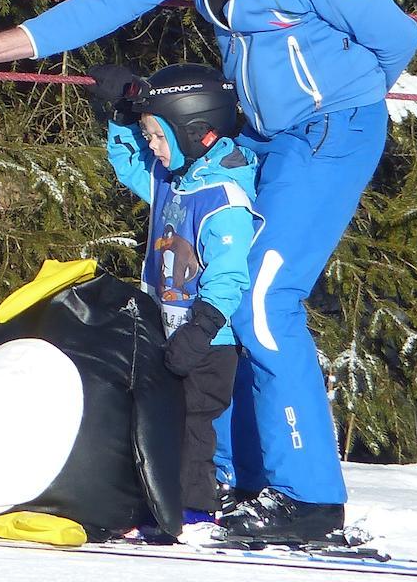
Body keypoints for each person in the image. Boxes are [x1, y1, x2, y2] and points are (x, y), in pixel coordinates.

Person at [0, 0, 417, 542]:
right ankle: (228, 477)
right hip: (252, 136)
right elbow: (100, 6)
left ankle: (310, 502)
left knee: (261, 296)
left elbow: (396, 40)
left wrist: (336, 95)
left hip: (330, 134)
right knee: (202, 290)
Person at [85, 61, 260, 536]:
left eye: (158, 137)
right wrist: (123, 116)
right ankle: (152, 504)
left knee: (191, 429)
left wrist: (199, 333)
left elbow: (228, 278)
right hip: (166, 330)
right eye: (150, 136)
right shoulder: (173, 180)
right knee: (154, 422)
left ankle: (195, 510)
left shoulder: (223, 199)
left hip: (208, 344)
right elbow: (128, 166)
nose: (153, 149)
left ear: (196, 133)